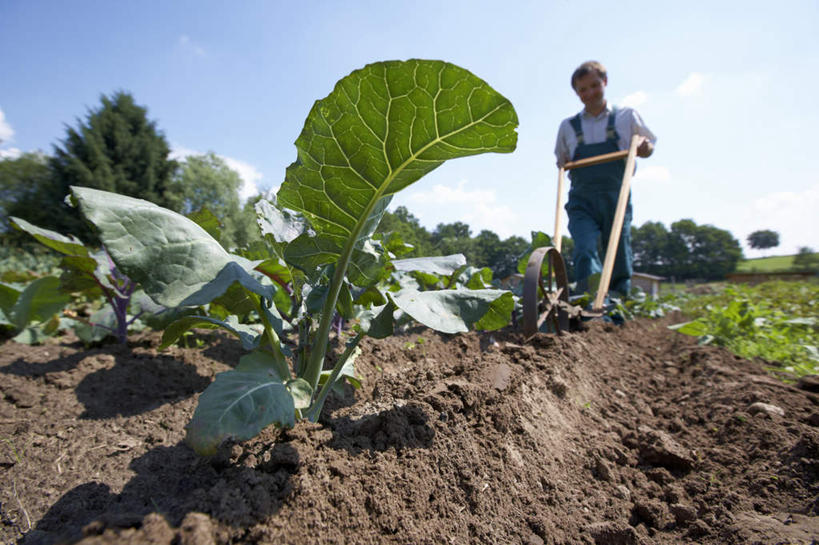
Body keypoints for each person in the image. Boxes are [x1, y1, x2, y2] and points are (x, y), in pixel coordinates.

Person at [554, 60, 656, 298]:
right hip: (582, 199)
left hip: (615, 196)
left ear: (605, 83)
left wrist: (643, 146)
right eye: (583, 89)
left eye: (594, 86)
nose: (589, 93)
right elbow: (561, 160)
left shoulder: (626, 117)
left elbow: (649, 146)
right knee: (584, 247)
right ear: (577, 93)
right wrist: (562, 162)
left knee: (618, 249)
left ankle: (617, 302)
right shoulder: (568, 127)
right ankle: (587, 299)